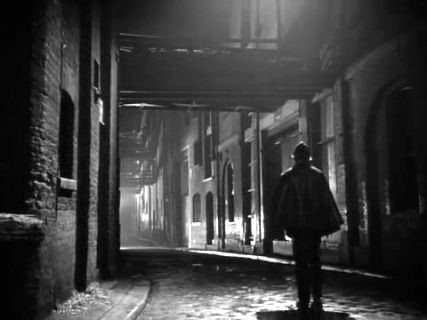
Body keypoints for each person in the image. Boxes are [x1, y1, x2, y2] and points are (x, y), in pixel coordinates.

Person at [271, 142, 343, 317]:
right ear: (309, 157)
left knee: (301, 264)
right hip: (314, 227)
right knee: (315, 261)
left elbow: (279, 203)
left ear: (294, 158)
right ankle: (317, 298)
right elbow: (327, 202)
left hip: (297, 227)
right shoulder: (318, 176)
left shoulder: (287, 176)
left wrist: (279, 224)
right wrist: (329, 222)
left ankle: (304, 299)